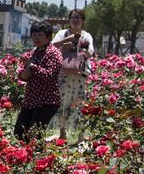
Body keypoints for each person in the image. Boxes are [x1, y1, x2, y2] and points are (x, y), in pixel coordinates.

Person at [50, 9, 94, 142]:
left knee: (79, 104)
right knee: (62, 103)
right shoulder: (62, 34)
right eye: (73, 18)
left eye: (79, 18)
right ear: (69, 20)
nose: (76, 20)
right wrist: (65, 44)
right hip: (63, 74)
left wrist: (79, 49)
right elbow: (51, 47)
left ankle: (81, 136)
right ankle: (62, 133)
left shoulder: (86, 36)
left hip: (79, 76)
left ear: (83, 21)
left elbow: (90, 51)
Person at [14, 21, 62, 142]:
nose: (36, 38)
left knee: (33, 136)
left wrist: (31, 66)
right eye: (34, 35)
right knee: (19, 132)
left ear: (48, 36)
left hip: (47, 101)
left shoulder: (54, 53)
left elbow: (49, 75)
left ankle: (38, 159)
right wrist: (27, 69)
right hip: (31, 100)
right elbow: (23, 76)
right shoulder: (32, 52)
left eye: (40, 35)